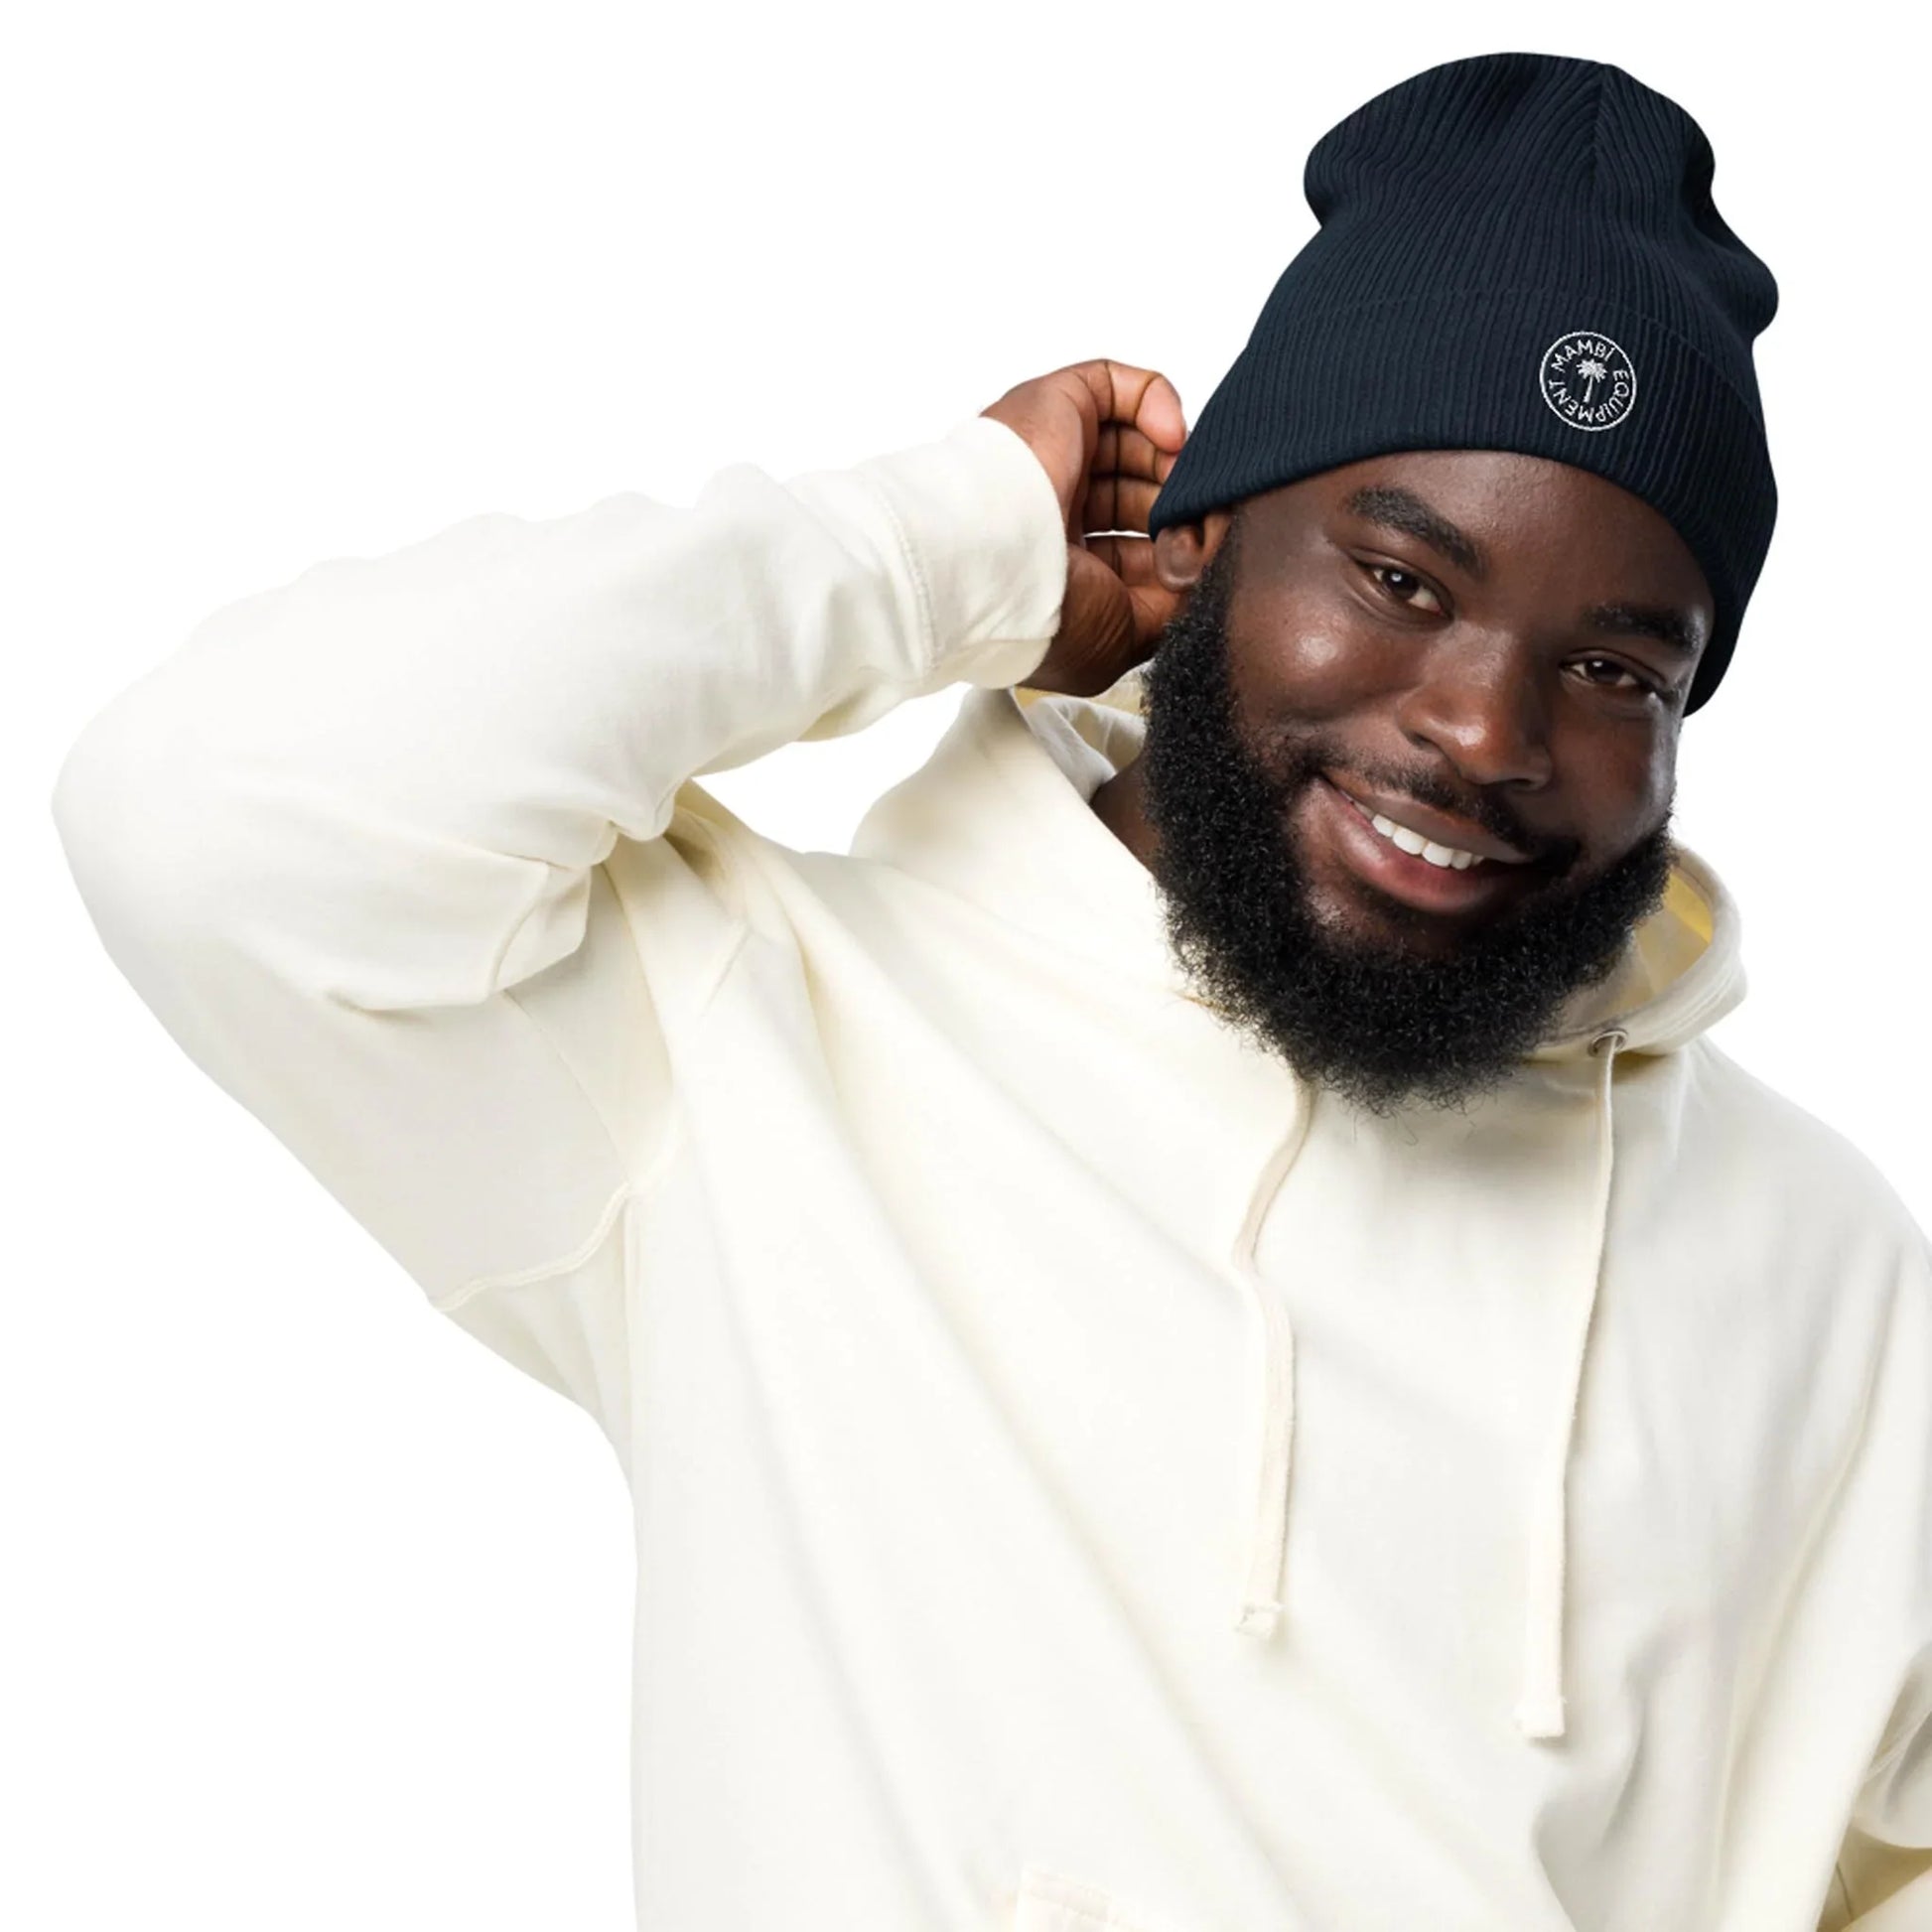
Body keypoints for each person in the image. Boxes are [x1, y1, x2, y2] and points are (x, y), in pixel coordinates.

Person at [50, 49, 1932, 1932]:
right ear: (1197, 537)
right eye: (1395, 577)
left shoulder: (1826, 1270)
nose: (1477, 729)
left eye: (1618, 671)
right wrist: (944, 544)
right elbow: (209, 802)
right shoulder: (749, 1039)